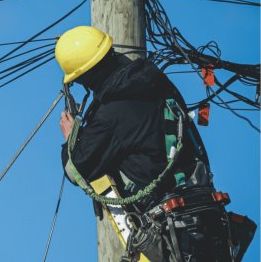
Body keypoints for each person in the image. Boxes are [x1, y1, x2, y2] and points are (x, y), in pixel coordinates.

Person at [55, 26, 254, 262]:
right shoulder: (157, 83)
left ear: (86, 77)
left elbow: (78, 168)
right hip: (210, 221)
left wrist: (71, 137)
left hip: (174, 232)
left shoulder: (111, 113)